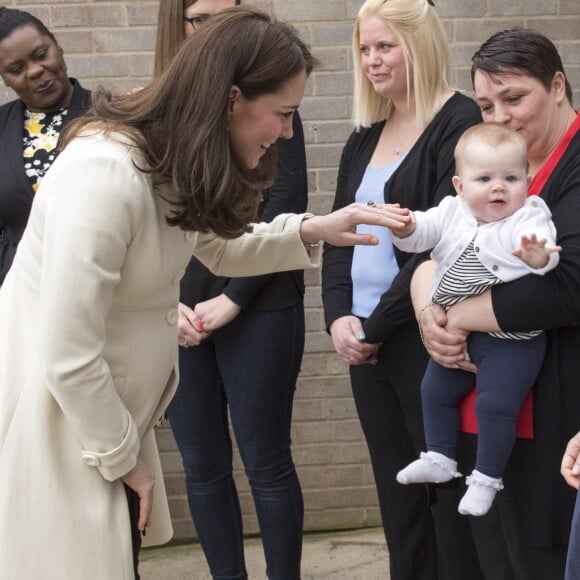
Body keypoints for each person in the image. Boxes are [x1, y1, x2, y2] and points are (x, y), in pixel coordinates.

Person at [0, 7, 410, 580]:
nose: (288, 133)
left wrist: (313, 227)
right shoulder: (103, 174)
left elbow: (218, 248)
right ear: (232, 99)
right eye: (284, 114)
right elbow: (67, 351)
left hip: (98, 421)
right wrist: (127, 460)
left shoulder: (160, 161)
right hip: (56, 420)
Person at [320, 0, 483, 578]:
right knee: (399, 495)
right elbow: (340, 232)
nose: (372, 60)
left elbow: (443, 246)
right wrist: (339, 316)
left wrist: (374, 326)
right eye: (364, 49)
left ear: (419, 44)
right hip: (364, 346)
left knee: (446, 492)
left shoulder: (458, 123)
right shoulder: (364, 137)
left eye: (384, 46)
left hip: (424, 336)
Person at [413, 27, 580, 579]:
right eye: (486, 103)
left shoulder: (570, 167)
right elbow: (439, 248)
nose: (499, 115)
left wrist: (453, 313)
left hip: (551, 419)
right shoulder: (494, 166)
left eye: (514, 98)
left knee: (539, 562)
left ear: (557, 85)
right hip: (481, 406)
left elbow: (564, 288)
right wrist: (426, 313)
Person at [155, 1, 309, 578]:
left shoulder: (270, 103)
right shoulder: (164, 109)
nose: (213, 26)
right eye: (200, 16)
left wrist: (234, 297)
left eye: (228, 12)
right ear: (179, 22)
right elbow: (150, 228)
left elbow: (286, 199)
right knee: (202, 465)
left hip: (260, 303)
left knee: (267, 463)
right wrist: (166, 304)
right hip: (178, 311)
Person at [392, 123, 560, 517]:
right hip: (462, 333)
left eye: (511, 178)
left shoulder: (528, 218)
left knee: (495, 406)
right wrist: (407, 227)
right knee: (434, 390)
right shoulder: (452, 212)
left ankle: (485, 479)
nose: (498, 187)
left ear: (527, 181)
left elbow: (545, 250)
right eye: (484, 178)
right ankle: (440, 457)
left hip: (512, 338)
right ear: (460, 185)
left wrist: (538, 256)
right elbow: (422, 236)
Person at [0, 7, 91, 285]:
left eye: (41, 55)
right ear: (4, 78)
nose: (36, 70)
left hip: (101, 291)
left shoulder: (112, 116)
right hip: (18, 295)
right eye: (16, 69)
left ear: (57, 46)